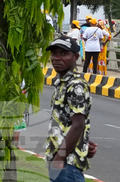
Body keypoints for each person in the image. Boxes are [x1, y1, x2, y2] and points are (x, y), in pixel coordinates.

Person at [45, 36, 97, 182]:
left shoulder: (76, 85)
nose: (56, 58)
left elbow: (78, 124)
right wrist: (83, 143)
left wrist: (59, 157)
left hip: (67, 165)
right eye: (54, 53)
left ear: (75, 57)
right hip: (62, 162)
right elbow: (69, 124)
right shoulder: (62, 83)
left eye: (63, 54)